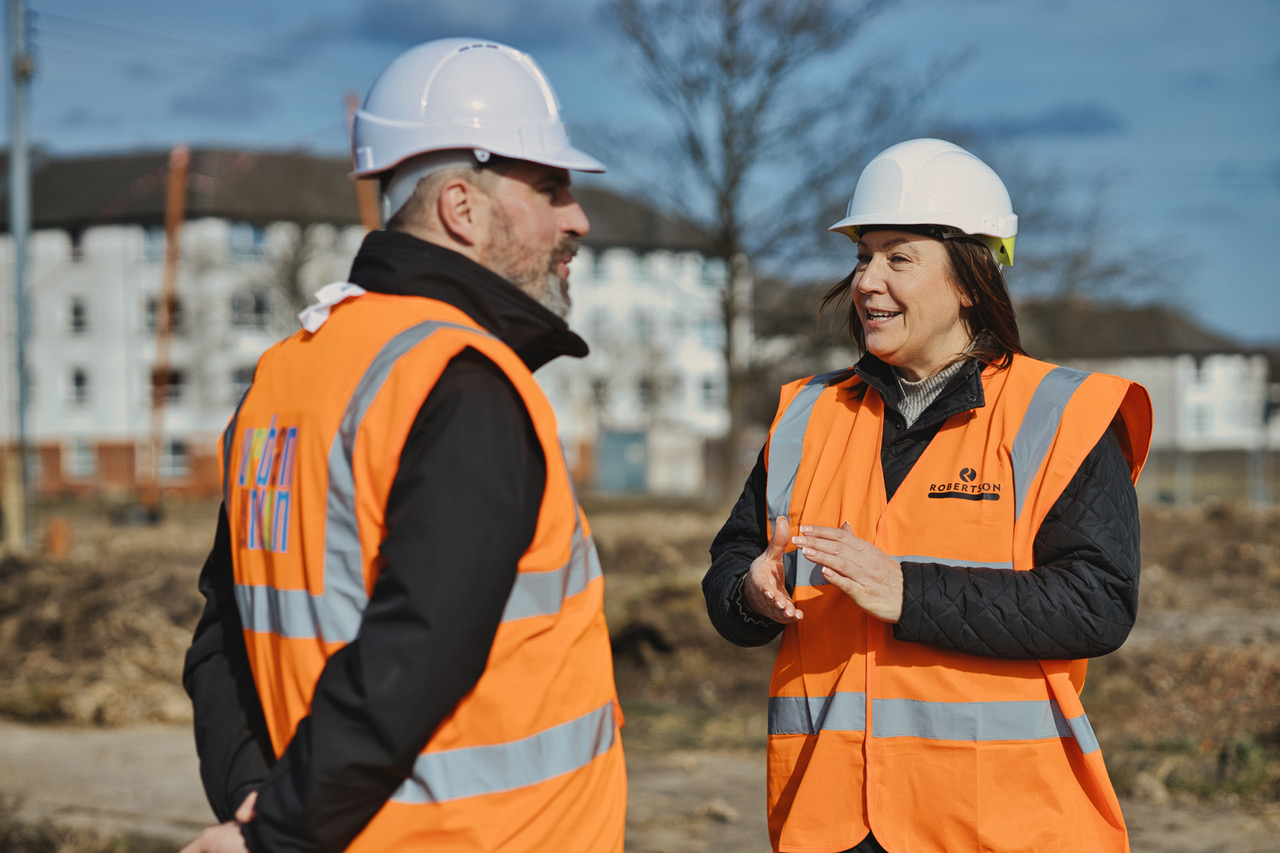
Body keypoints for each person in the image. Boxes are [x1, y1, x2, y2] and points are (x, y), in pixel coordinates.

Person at [180, 38, 626, 853]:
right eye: (552, 189)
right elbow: (415, 648)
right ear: (462, 206)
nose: (578, 219)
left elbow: (224, 630)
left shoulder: (285, 376)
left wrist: (253, 800)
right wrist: (273, 831)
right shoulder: (461, 379)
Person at [703, 138, 1153, 853]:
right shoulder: (805, 416)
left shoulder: (1061, 416)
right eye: (861, 256)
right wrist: (747, 593)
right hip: (830, 822)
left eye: (898, 257)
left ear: (971, 279)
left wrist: (910, 593)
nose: (866, 281)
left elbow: (1098, 602)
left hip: (1002, 826)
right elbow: (733, 559)